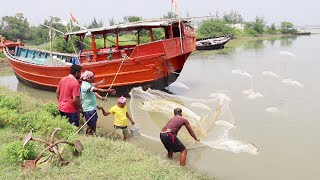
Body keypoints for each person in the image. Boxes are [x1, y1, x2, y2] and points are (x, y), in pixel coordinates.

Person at [80, 70, 116, 135]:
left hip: (92, 109)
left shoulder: (87, 84)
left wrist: (101, 99)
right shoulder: (86, 85)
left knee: (92, 125)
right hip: (89, 110)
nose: (94, 78)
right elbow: (98, 89)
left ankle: (91, 134)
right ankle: (89, 135)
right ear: (88, 78)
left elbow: (94, 91)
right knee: (91, 126)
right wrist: (108, 90)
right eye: (93, 77)